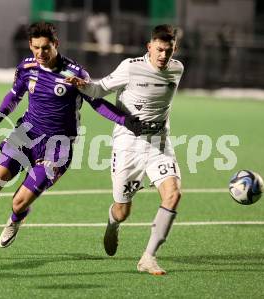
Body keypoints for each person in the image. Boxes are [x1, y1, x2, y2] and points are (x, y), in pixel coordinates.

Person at [0, 21, 141, 260]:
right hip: (26, 133)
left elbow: (97, 103)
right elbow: (14, 95)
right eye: (36, 47)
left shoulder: (75, 74)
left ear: (56, 45)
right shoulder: (27, 67)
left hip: (58, 146)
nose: (41, 53)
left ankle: (17, 217)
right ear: (30, 45)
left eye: (46, 48)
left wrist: (125, 120)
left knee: (18, 203)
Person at [65, 24, 184, 275]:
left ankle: (148, 257)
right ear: (149, 47)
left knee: (173, 194)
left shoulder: (177, 68)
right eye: (160, 49)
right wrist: (81, 84)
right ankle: (112, 222)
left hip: (159, 143)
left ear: (175, 49)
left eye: (169, 50)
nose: (164, 56)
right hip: (128, 144)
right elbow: (98, 90)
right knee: (123, 210)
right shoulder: (131, 67)